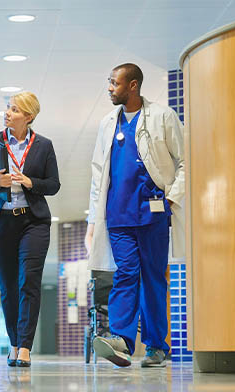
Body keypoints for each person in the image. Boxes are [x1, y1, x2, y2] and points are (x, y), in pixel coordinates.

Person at [85, 63, 184, 368]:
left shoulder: (164, 117)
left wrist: (171, 197)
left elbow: (184, 162)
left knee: (153, 278)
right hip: (118, 216)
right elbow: (99, 172)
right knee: (125, 274)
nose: (110, 88)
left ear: (133, 86)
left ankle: (156, 346)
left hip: (153, 213)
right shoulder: (106, 124)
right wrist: (92, 221)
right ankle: (122, 342)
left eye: (114, 83)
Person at [0, 91, 60, 367]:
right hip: (2, 221)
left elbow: (54, 184)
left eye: (13, 109)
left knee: (29, 282)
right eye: (7, 108)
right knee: (8, 285)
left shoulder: (44, 145)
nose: (7, 113)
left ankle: (25, 346)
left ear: (29, 117)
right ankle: (14, 342)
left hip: (34, 221)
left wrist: (30, 181)